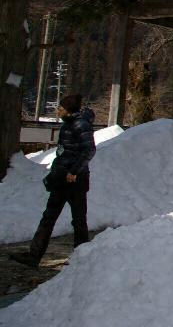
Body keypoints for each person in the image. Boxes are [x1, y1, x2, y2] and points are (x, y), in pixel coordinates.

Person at [11, 94, 96, 267]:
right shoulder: (68, 124)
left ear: (69, 110)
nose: (58, 111)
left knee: (78, 219)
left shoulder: (81, 125)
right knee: (49, 217)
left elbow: (89, 150)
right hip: (61, 177)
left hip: (76, 179)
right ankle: (34, 255)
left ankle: (81, 258)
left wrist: (74, 171)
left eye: (61, 108)